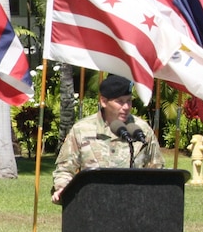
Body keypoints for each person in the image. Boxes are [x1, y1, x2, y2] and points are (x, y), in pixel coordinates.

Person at [52, 74, 164, 203]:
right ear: (104, 101)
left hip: (134, 205)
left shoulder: (141, 130)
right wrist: (63, 188)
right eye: (120, 101)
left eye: (129, 100)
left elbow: (157, 171)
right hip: (92, 204)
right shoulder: (82, 130)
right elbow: (65, 169)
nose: (126, 107)